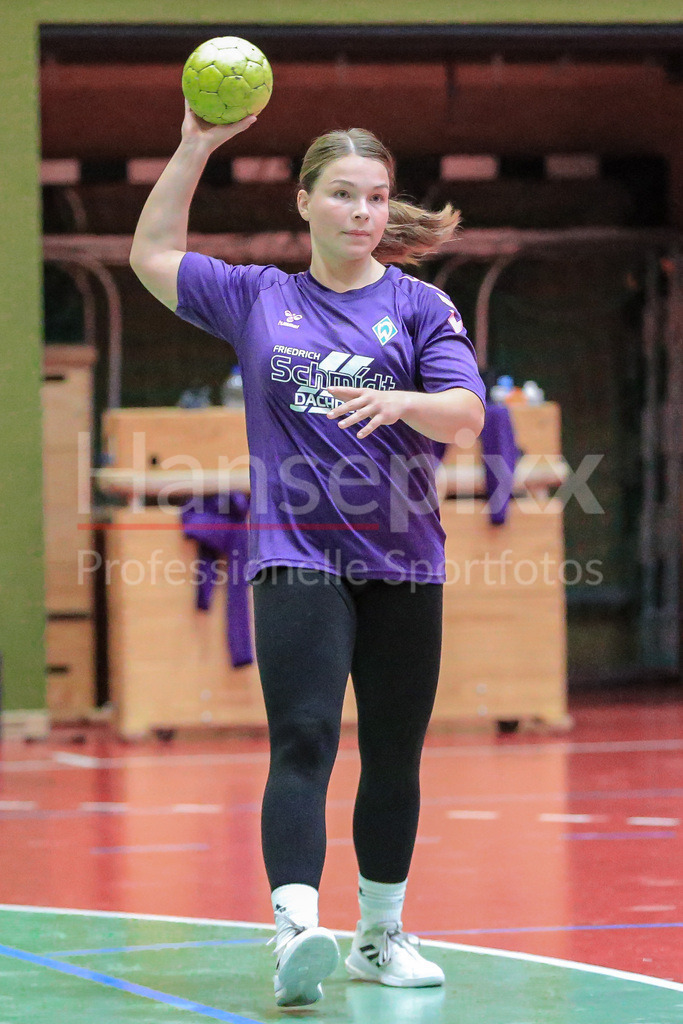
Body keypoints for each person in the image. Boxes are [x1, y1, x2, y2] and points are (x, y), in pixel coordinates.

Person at [130, 103, 486, 1008]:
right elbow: (152, 256)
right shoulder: (260, 299)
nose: (362, 211)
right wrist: (196, 145)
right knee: (302, 739)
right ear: (305, 202)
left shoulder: (419, 304)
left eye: (375, 197)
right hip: (295, 556)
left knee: (395, 753)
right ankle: (296, 927)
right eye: (342, 194)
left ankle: (380, 933)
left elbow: (467, 414)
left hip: (403, 560)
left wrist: (406, 402)